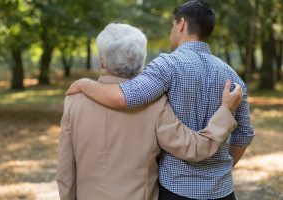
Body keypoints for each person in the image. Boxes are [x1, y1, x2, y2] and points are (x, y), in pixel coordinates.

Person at [66, 1, 255, 200]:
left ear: (181, 24)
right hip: (223, 191)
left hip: (176, 190)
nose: (171, 32)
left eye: (172, 26)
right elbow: (244, 135)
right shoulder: (233, 77)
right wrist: (220, 170)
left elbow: (127, 96)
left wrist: (83, 85)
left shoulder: (168, 65)